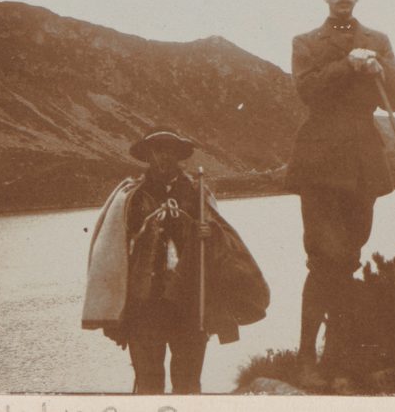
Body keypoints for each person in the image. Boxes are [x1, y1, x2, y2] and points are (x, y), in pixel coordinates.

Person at [284, 0, 395, 387]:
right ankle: (306, 358)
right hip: (320, 160)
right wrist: (349, 66)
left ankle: (336, 358)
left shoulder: (378, 40)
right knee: (326, 258)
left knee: (350, 257)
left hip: (363, 161)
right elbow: (307, 90)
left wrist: (382, 67)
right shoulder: (305, 41)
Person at [82, 127, 270, 394]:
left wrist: (209, 232)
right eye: (156, 150)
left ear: (178, 155)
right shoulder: (131, 197)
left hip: (190, 306)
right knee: (148, 381)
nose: (162, 157)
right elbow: (117, 246)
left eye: (168, 150)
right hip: (145, 306)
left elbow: (222, 240)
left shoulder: (197, 192)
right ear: (147, 155)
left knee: (188, 381)